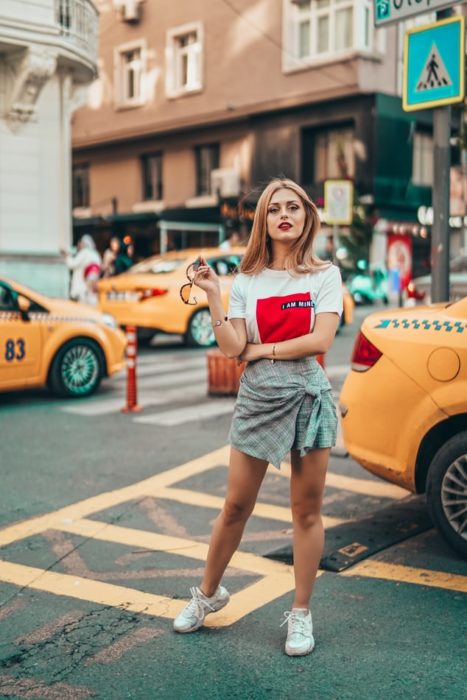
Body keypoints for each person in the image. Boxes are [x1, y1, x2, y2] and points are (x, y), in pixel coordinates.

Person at [173, 178, 343, 656]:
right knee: (234, 507)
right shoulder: (246, 279)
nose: (284, 215)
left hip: (308, 397)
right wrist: (213, 295)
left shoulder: (324, 274)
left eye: (293, 207)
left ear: (307, 216)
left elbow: (320, 341)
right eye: (274, 209)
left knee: (305, 511)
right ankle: (208, 595)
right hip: (258, 397)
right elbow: (232, 348)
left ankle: (301, 613)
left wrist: (263, 349)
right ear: (263, 221)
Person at [62, 234, 102, 305]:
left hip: (81, 288)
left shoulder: (84, 253)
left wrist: (67, 255)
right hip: (92, 288)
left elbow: (72, 264)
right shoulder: (96, 255)